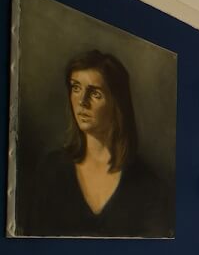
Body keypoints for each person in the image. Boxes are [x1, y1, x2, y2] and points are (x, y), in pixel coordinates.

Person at [25, 49, 171, 238]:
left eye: (95, 93)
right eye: (76, 88)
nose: (82, 102)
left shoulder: (148, 184)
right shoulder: (51, 170)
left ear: (117, 103)